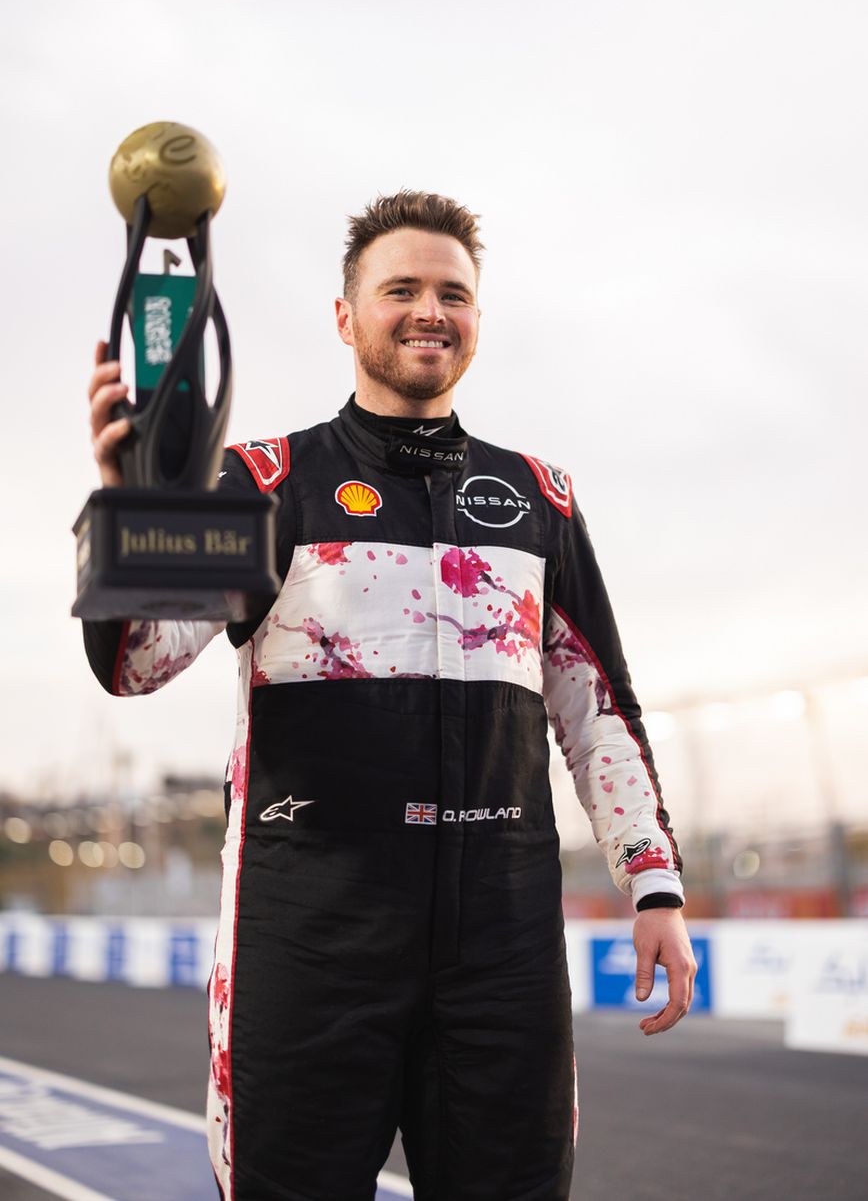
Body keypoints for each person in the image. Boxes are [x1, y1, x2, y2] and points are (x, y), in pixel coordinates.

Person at [84, 191, 696, 1201]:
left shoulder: (539, 498)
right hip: (309, 934)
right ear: (345, 316)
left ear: (476, 318)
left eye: (452, 293)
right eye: (400, 289)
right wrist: (126, 506)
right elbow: (137, 662)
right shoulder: (262, 482)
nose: (428, 311)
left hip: (500, 938)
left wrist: (654, 885)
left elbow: (597, 710)